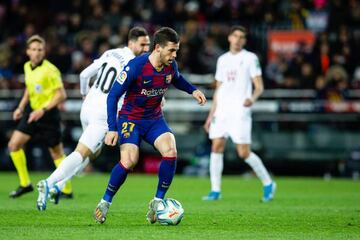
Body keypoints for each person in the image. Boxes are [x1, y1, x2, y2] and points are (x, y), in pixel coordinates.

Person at [94, 27, 206, 224]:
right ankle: (105, 202)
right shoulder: (136, 66)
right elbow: (113, 96)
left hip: (154, 119)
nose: (174, 55)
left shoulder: (171, 66)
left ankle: (157, 202)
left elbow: (177, 80)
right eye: (171, 50)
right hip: (130, 119)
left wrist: (193, 90)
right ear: (157, 48)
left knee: (170, 149)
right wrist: (112, 127)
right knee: (129, 161)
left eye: (176, 50)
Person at [36, 27, 151, 211]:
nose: (146, 49)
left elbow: (83, 75)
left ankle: (59, 185)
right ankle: (49, 182)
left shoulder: (110, 53)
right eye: (142, 44)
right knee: (81, 152)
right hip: (104, 113)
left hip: (88, 106)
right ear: (131, 42)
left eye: (148, 45)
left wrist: (84, 94)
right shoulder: (135, 63)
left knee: (92, 152)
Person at [202, 26, 276, 202]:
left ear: (244, 41)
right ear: (229, 38)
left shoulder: (250, 58)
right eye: (235, 36)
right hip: (222, 110)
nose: (238, 39)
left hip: (239, 110)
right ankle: (215, 190)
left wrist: (252, 98)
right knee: (216, 146)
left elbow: (259, 86)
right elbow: (219, 89)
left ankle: (268, 182)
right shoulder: (222, 60)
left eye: (242, 37)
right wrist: (211, 114)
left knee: (243, 152)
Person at [8, 35, 72, 198]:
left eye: (40, 50)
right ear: (28, 51)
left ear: (44, 52)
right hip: (32, 112)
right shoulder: (27, 67)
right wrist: (20, 108)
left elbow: (61, 95)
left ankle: (66, 190)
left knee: (56, 153)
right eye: (34, 49)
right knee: (14, 145)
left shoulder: (50, 70)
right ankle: (25, 183)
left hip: (48, 114)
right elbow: (29, 90)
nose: (37, 53)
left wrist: (42, 110)